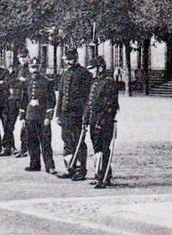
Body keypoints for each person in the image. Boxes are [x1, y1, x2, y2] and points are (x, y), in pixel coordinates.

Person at [55, 48, 92, 180]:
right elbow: (61, 95)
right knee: (67, 142)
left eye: (71, 59)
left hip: (77, 114)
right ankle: (70, 168)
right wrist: (58, 114)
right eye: (67, 60)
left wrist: (85, 115)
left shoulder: (85, 74)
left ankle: (81, 170)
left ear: (76, 59)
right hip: (65, 114)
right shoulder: (65, 74)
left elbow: (88, 97)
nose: (69, 62)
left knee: (79, 142)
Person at [84, 57, 119, 188]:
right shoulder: (95, 82)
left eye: (93, 69)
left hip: (105, 121)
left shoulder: (108, 82)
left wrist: (101, 120)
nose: (91, 71)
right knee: (96, 148)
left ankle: (104, 177)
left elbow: (110, 105)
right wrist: (86, 119)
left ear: (100, 68)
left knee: (104, 148)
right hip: (94, 120)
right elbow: (90, 103)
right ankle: (100, 173)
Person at [20, 57, 57, 174]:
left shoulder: (47, 82)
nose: (34, 70)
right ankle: (34, 164)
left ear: (40, 68)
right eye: (32, 67)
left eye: (36, 67)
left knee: (45, 141)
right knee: (31, 141)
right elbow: (23, 99)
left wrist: (48, 116)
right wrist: (22, 117)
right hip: (30, 115)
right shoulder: (27, 82)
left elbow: (52, 100)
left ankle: (50, 166)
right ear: (29, 68)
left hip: (42, 116)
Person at [0, 48, 29, 157]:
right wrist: (20, 82)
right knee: (8, 123)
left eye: (24, 57)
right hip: (13, 99)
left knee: (24, 124)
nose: (22, 59)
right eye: (20, 57)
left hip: (25, 100)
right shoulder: (15, 70)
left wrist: (19, 83)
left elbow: (29, 84)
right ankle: (8, 146)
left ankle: (24, 147)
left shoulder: (30, 70)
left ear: (28, 57)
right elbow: (9, 82)